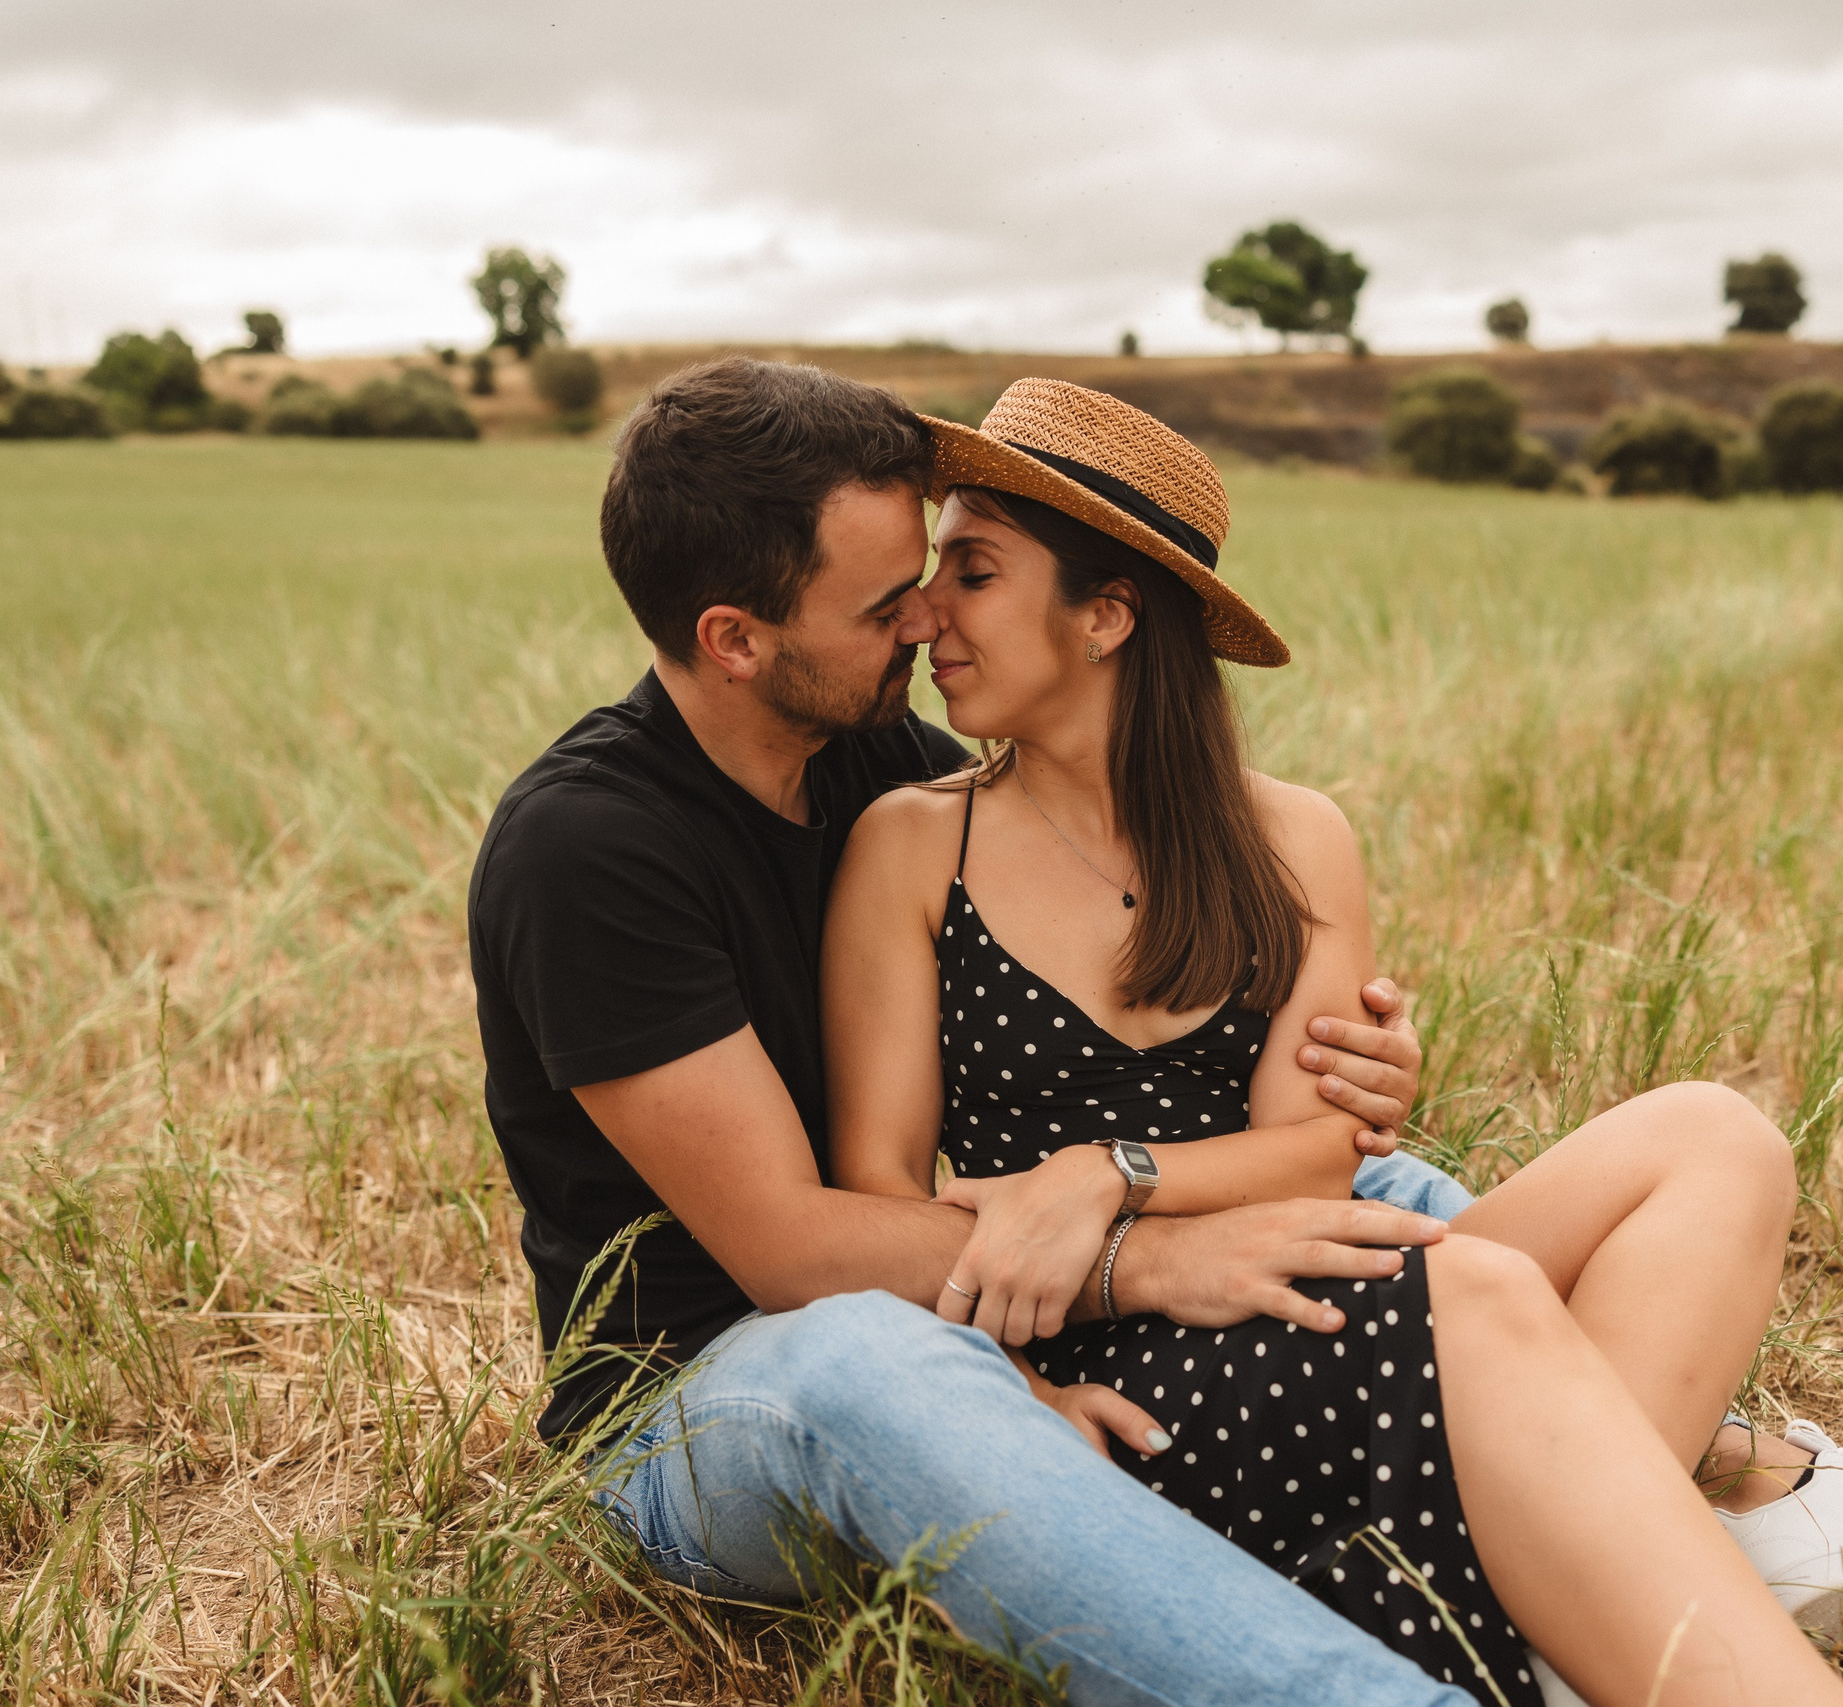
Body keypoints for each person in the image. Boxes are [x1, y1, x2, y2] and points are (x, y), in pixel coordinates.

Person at [818, 379, 1843, 1705]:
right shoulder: (916, 846)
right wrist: (1018, 1405)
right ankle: (1608, 1588)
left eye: (969, 572)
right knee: (1482, 1295)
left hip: (1303, 1281)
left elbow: (1313, 1161)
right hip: (1117, 1369)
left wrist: (1110, 1172)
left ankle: (1556, 1608)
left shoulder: (1291, 838)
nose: (924, 616)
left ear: (1107, 612)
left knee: (1716, 1138)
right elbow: (878, 1197)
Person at [469, 355, 1515, 1707]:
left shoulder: (884, 765)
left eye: (934, 577)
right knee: (875, 1364)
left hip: (960, 1295)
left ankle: (1643, 1459)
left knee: (1373, 1193)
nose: (920, 623)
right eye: (879, 602)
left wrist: (1351, 1068)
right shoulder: (589, 848)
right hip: (710, 1404)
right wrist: (1130, 1277)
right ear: (735, 637)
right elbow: (792, 1252)